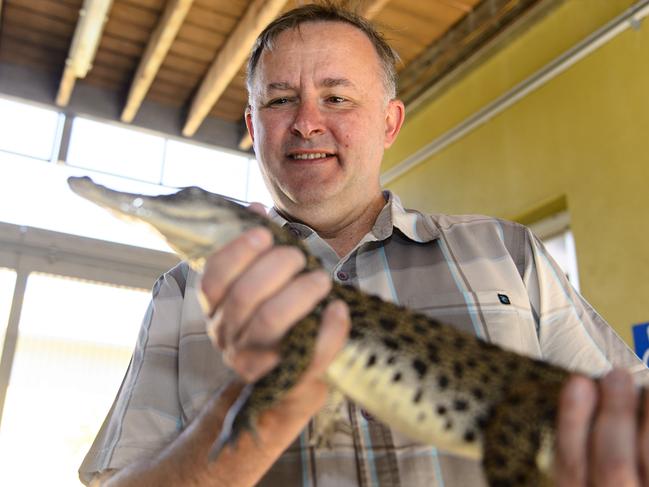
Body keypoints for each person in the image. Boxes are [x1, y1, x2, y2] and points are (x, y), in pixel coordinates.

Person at [80, 4, 649, 486]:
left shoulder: (510, 252)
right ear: (252, 128)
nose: (306, 123)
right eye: (280, 101)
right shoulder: (181, 292)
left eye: (337, 98)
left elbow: (633, 419)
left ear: (389, 123)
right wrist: (252, 408)